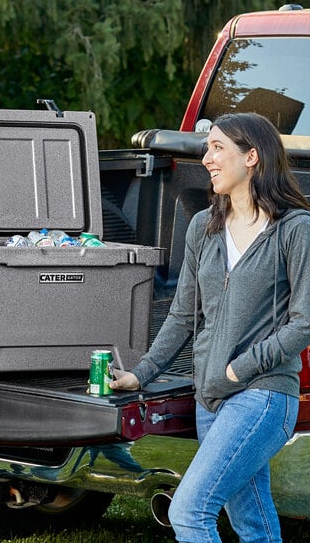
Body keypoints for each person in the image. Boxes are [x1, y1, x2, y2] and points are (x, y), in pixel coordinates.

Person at [111, 112, 310, 543]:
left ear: (252, 156)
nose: (206, 158)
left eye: (218, 147)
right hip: (211, 400)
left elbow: (304, 322)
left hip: (264, 393)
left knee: (189, 511)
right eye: (207, 148)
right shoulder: (204, 226)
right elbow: (183, 315)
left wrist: (239, 370)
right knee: (252, 520)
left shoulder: (295, 230)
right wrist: (141, 373)